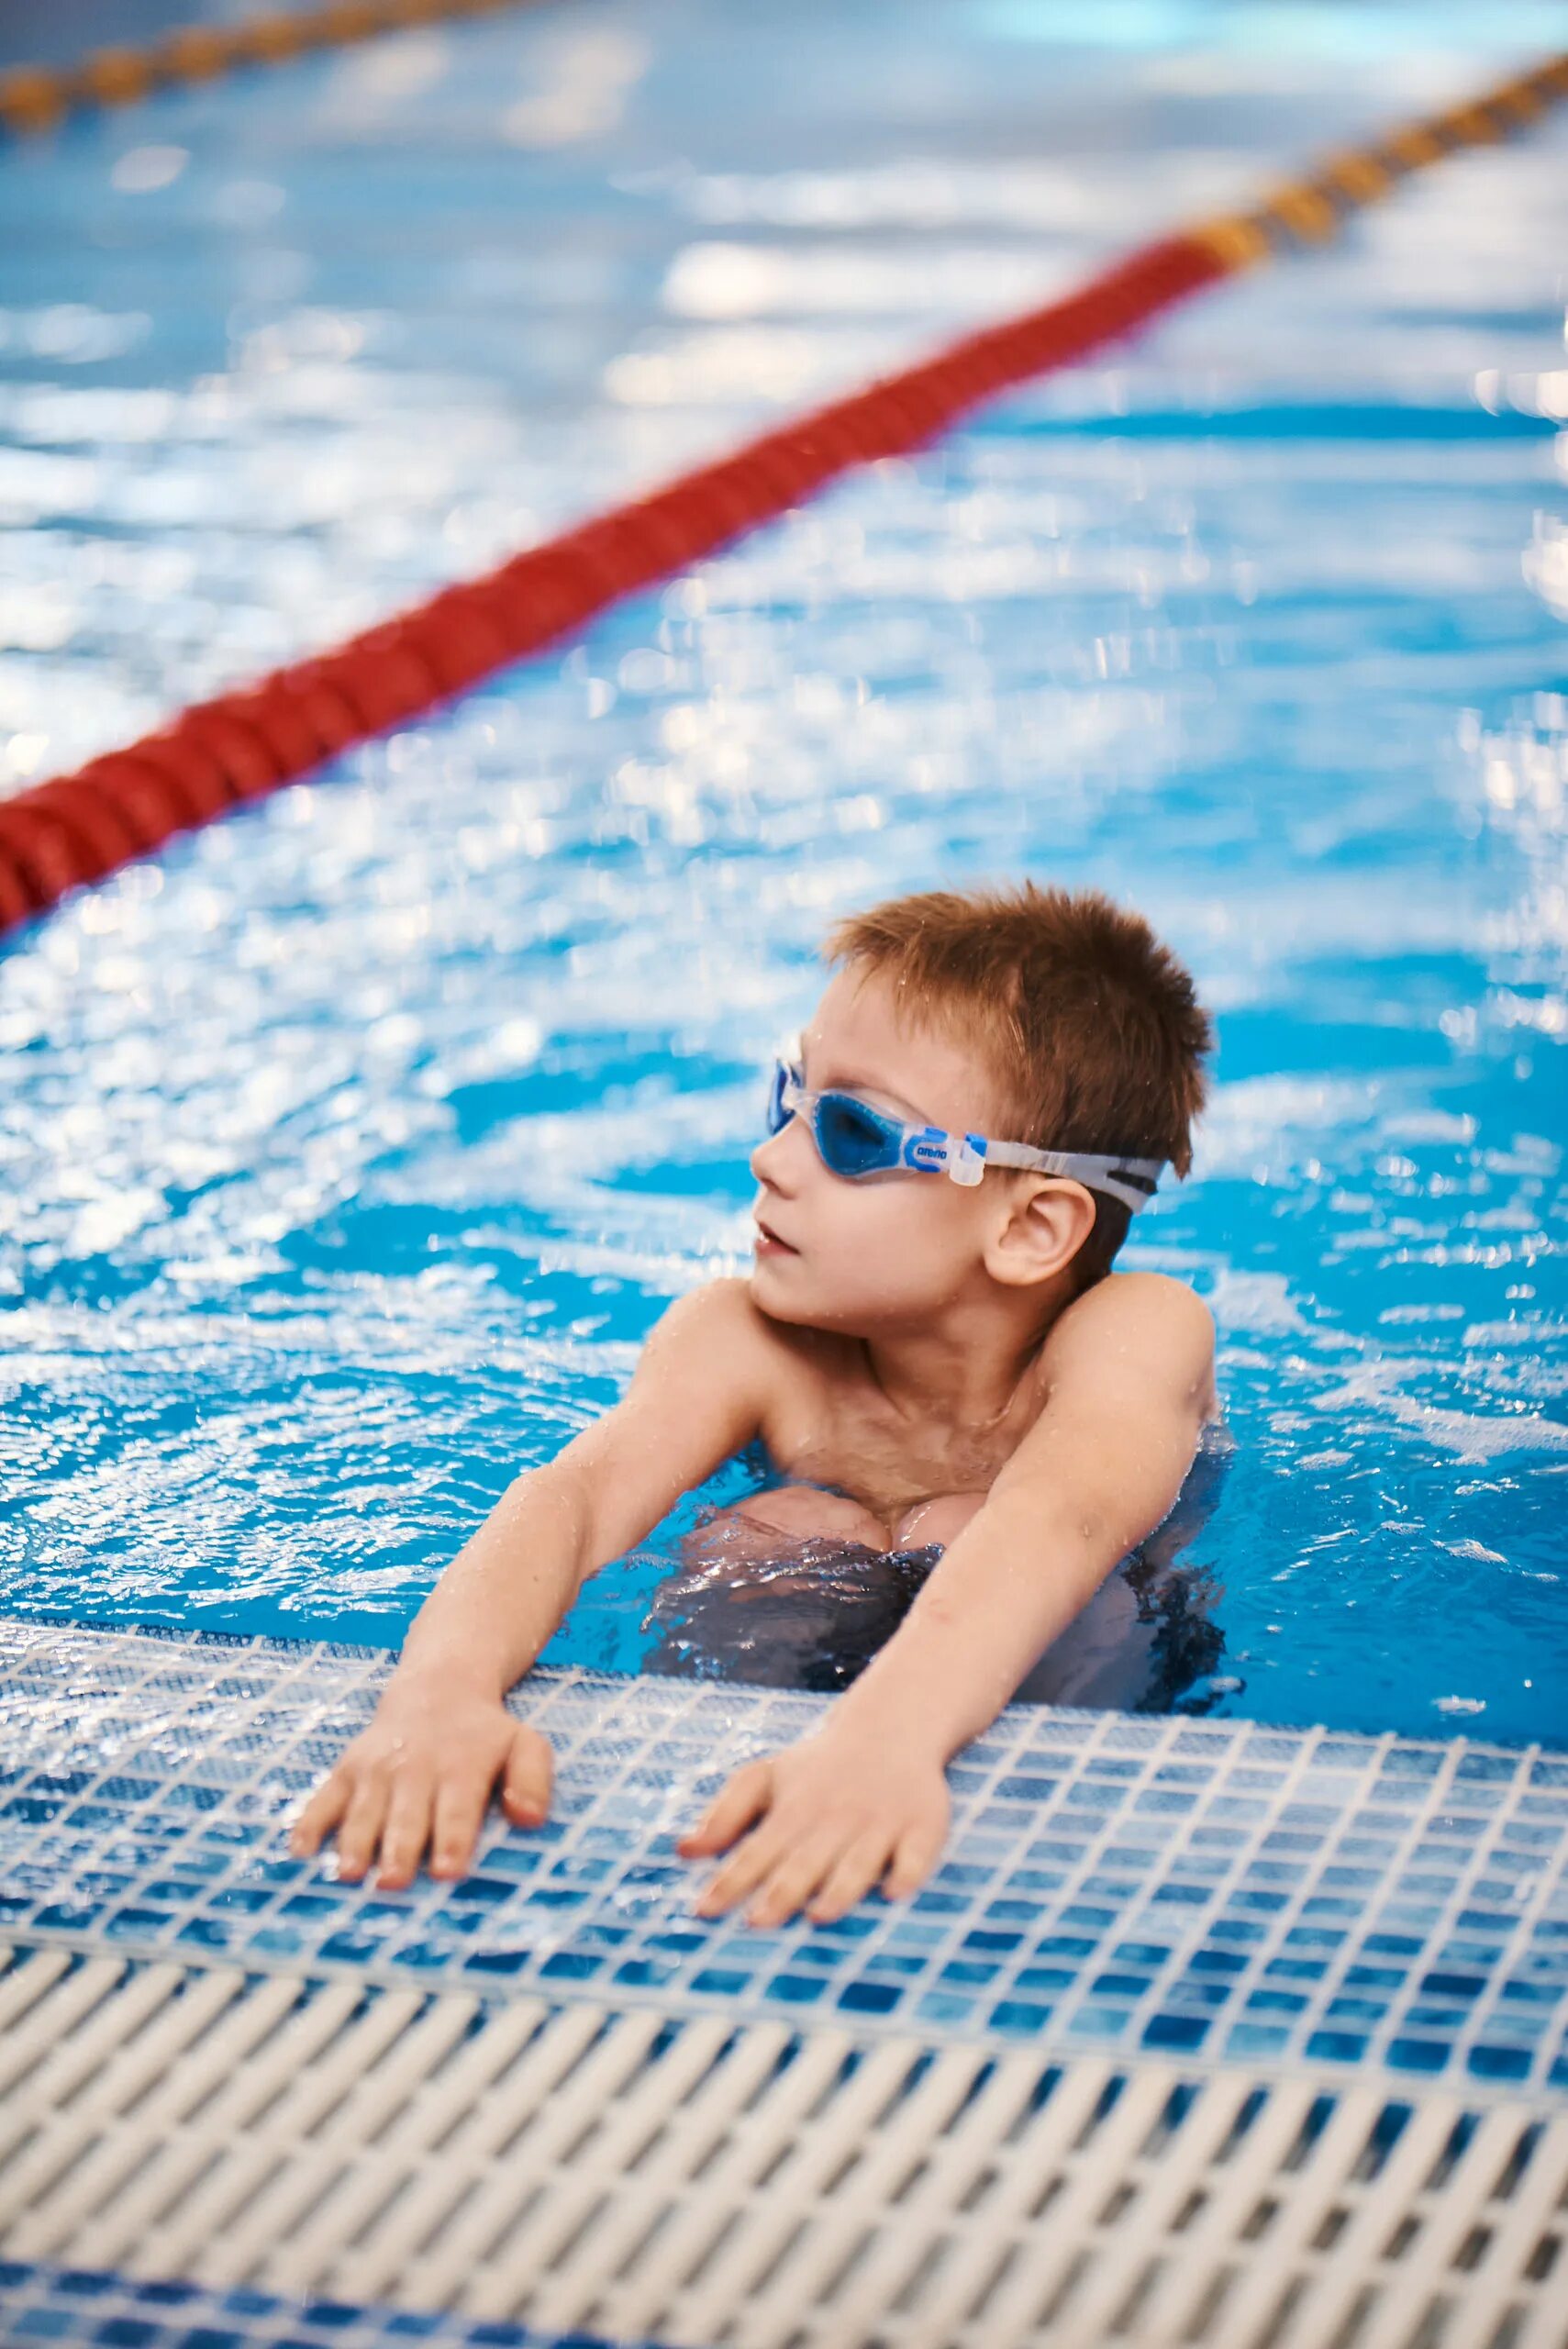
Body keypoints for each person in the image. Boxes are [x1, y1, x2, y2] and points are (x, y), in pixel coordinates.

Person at [290, 881, 1219, 1929]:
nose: (769, 1159)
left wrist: (888, 1738)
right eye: (789, 1096)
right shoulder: (745, 1336)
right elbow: (577, 1500)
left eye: (853, 1132)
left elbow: (1061, 1519)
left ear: (1030, 1228)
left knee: (971, 1531)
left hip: (1049, 1642)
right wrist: (442, 1698)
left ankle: (1021, 1869)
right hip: (818, 1632)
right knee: (776, 1530)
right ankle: (706, 1841)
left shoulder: (1138, 1329)